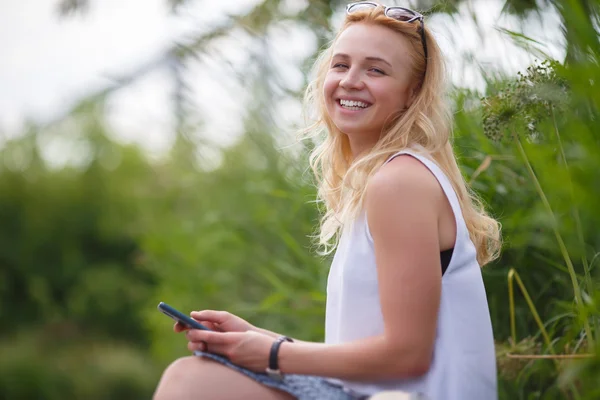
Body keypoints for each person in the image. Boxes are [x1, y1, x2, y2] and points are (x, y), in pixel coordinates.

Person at [153, 2, 501, 399]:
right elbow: (367, 349)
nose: (351, 80)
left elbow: (408, 357)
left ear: (411, 94)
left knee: (191, 383)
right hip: (370, 392)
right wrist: (252, 337)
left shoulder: (399, 183)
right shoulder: (381, 179)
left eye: (376, 69)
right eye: (341, 65)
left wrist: (272, 353)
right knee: (194, 378)